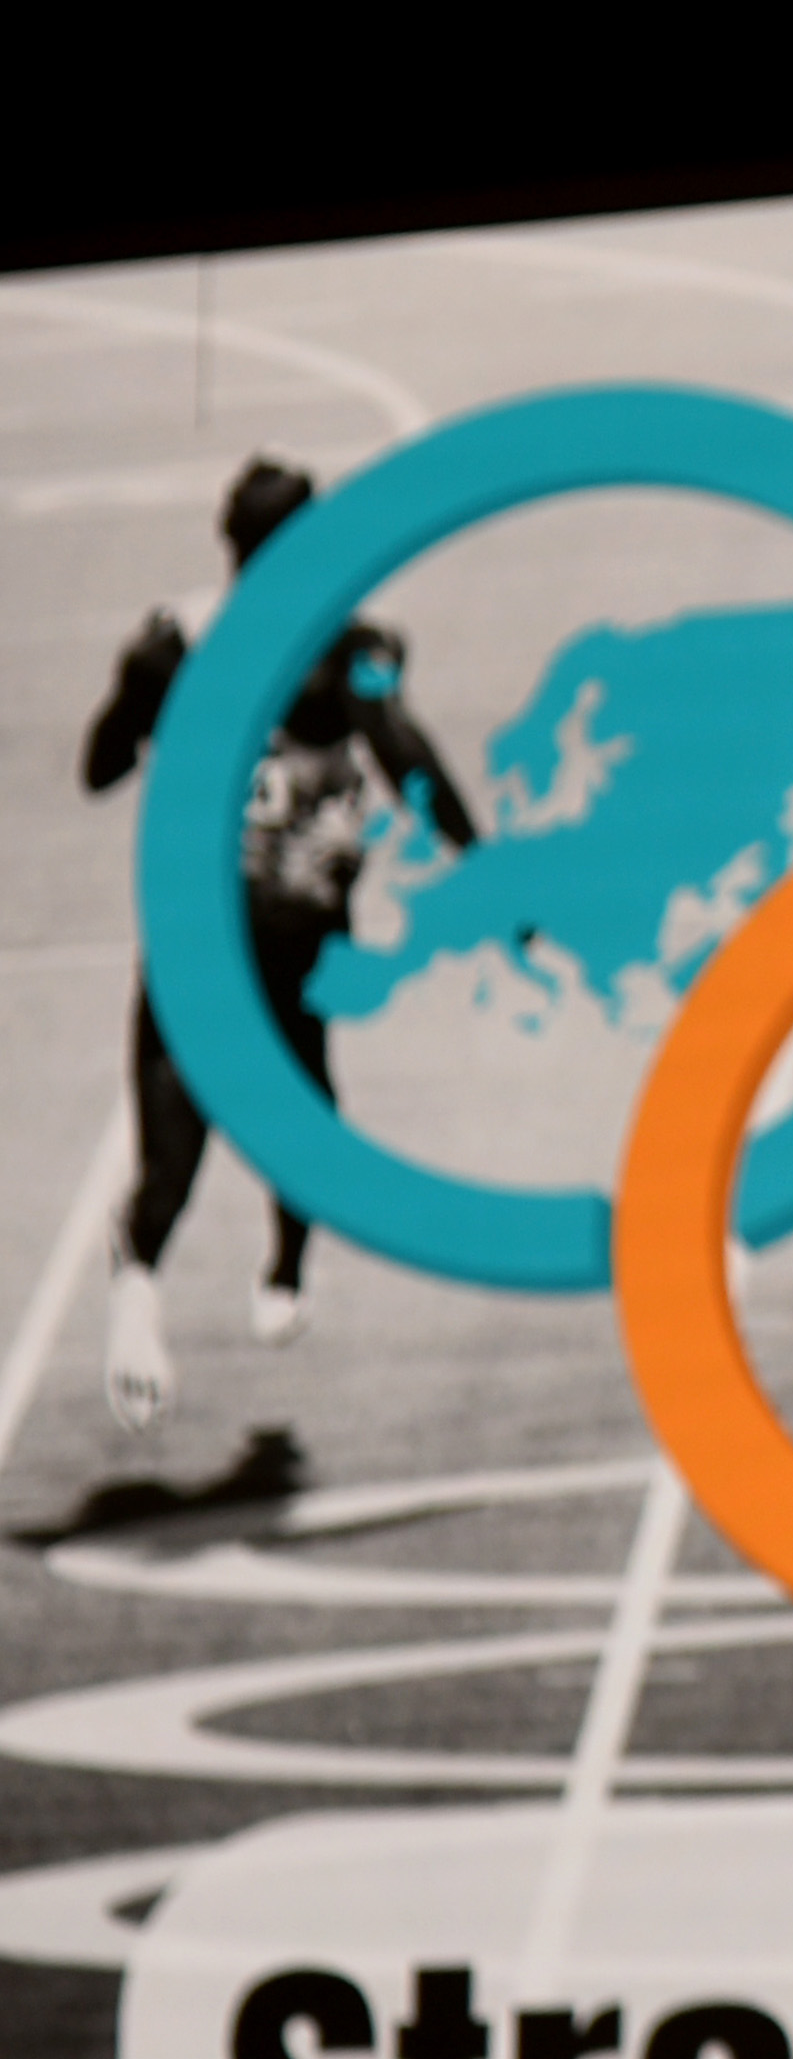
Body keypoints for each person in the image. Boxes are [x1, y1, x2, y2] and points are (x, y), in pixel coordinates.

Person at [79, 457, 474, 1433]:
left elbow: (99, 764)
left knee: (184, 1147)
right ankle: (267, 1271)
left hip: (213, 933)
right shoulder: (346, 649)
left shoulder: (176, 645)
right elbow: (407, 756)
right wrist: (480, 857)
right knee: (299, 1118)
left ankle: (155, 1277)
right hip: (276, 932)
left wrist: (140, 713)